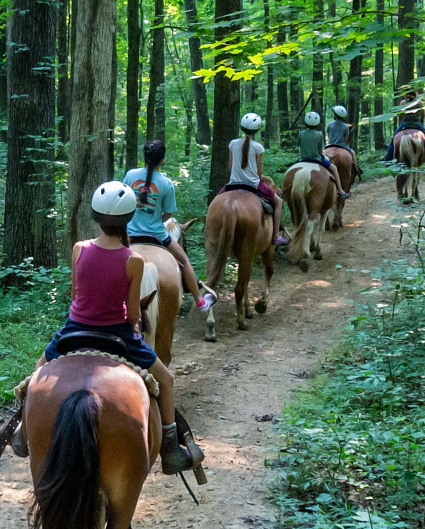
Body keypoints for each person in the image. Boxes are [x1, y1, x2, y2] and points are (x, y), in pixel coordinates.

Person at [17, 180, 203, 475]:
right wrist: (136, 326)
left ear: (96, 217)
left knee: (36, 374)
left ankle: (21, 428)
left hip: (73, 329)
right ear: (129, 219)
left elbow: (76, 294)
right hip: (118, 334)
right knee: (166, 380)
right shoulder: (134, 260)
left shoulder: (79, 249)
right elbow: (131, 312)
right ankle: (169, 448)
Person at [125, 139, 214, 314]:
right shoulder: (166, 183)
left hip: (128, 234)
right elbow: (167, 215)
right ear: (162, 159)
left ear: (145, 156)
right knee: (184, 260)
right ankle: (199, 301)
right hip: (157, 235)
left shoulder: (130, 175)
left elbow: (125, 202)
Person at [228, 113, 287, 247]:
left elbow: (230, 166)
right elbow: (258, 173)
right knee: (278, 202)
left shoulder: (232, 144)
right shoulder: (258, 147)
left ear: (242, 127)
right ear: (257, 130)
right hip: (253, 185)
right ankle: (276, 235)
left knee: (217, 200)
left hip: (232, 184)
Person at [325, 103, 363, 179]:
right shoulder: (345, 127)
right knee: (353, 152)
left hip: (330, 145)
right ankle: (356, 169)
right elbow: (346, 139)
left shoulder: (330, 124)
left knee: (322, 155)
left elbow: (329, 136)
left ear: (335, 115)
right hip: (342, 145)